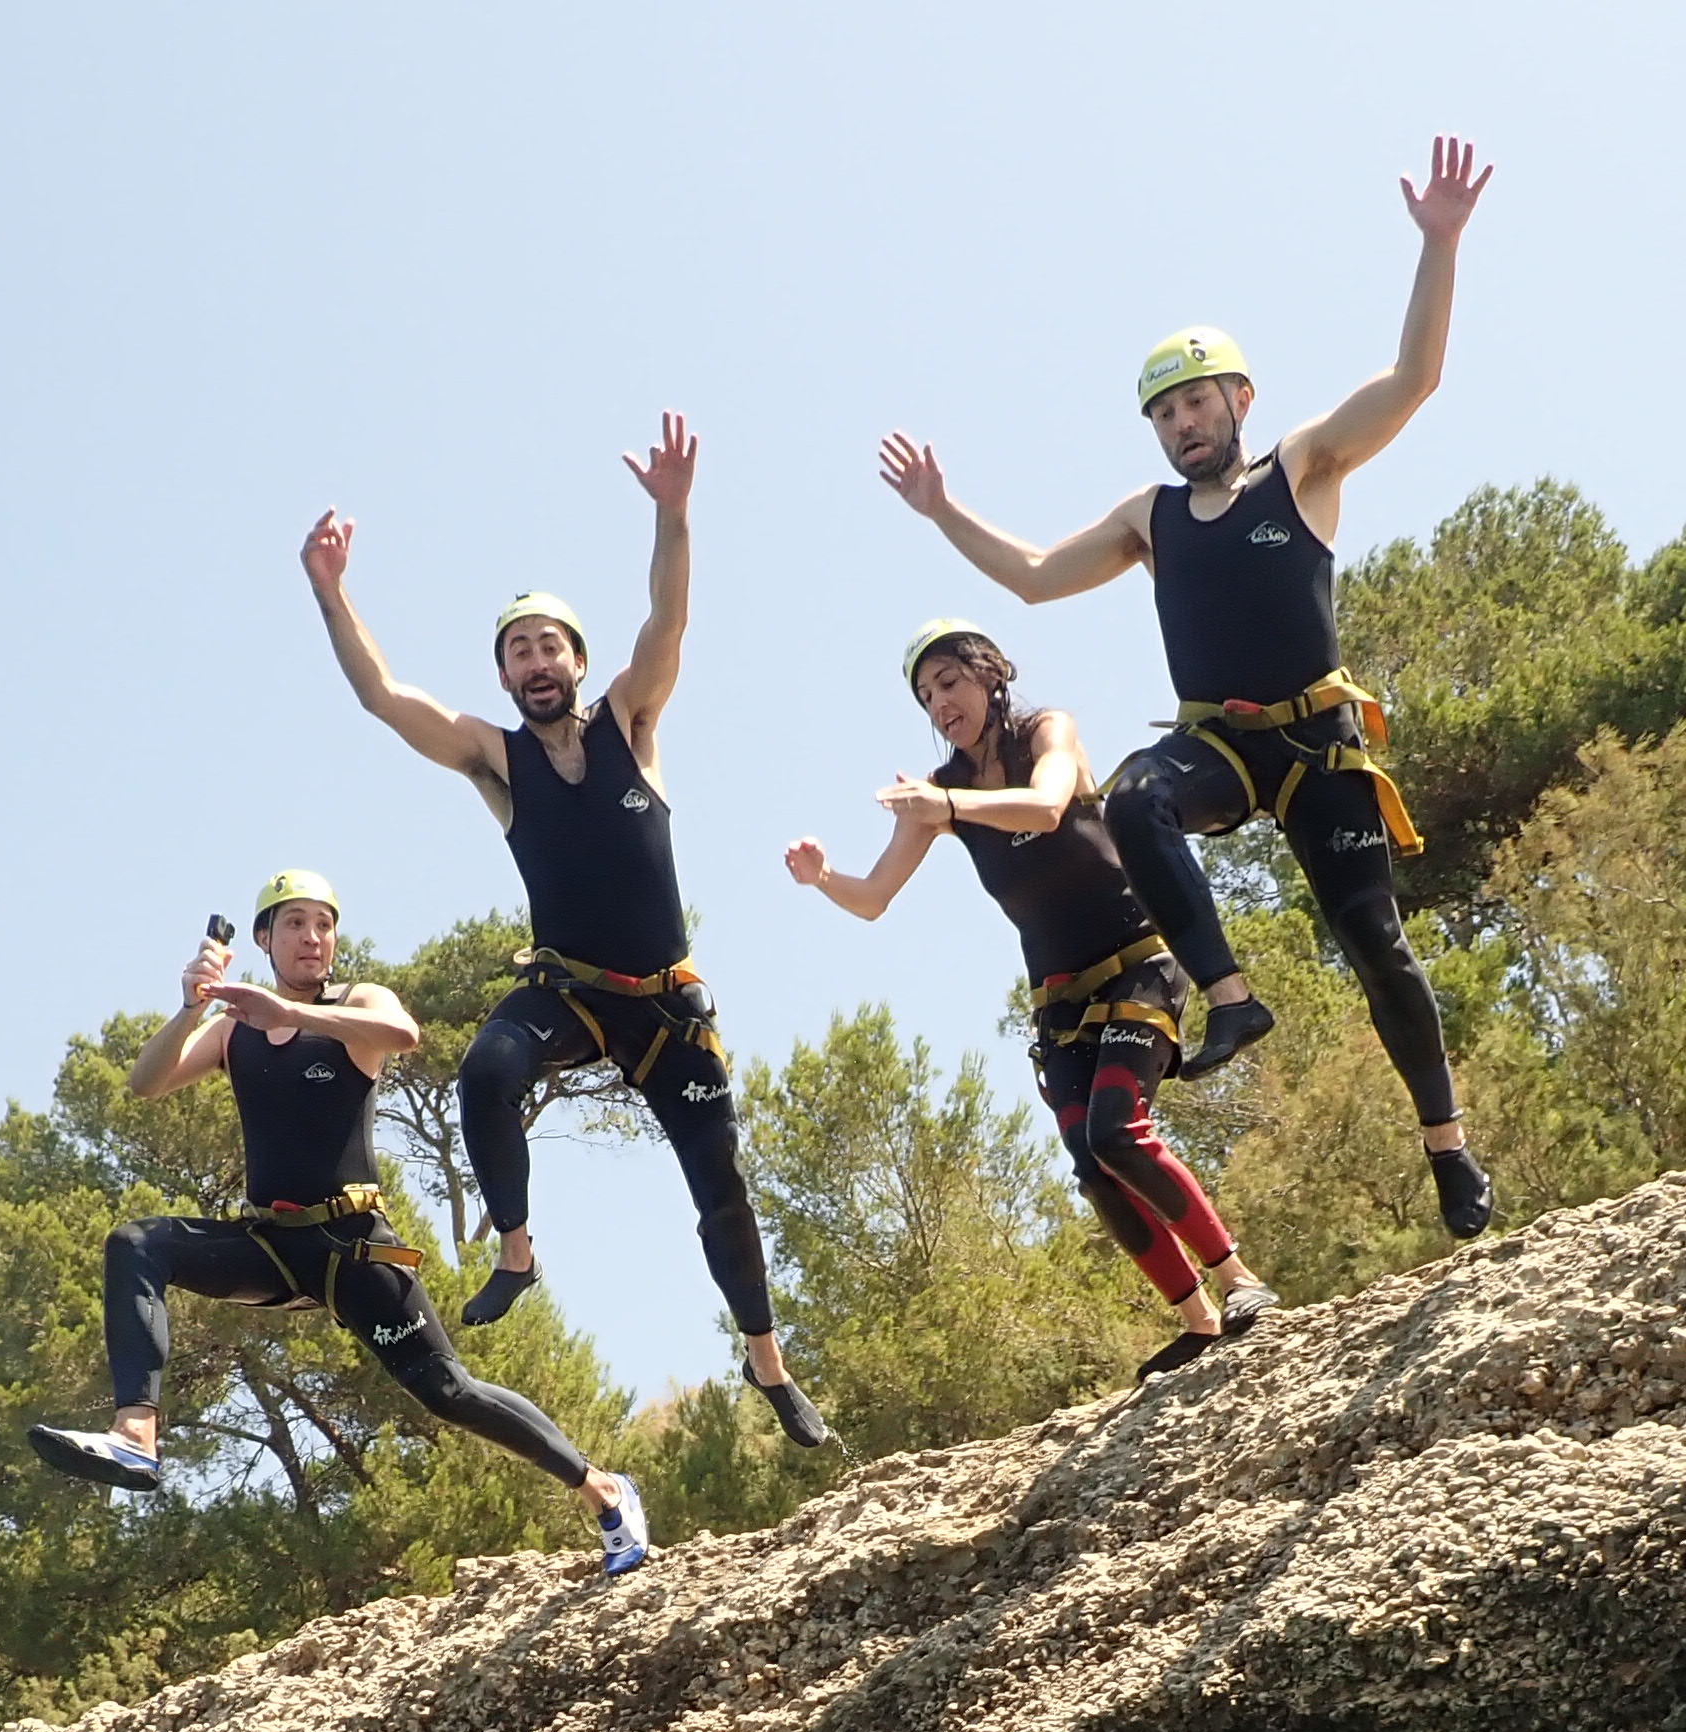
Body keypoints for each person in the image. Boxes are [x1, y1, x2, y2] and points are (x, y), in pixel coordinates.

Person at [877, 135, 1500, 1243]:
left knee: (1377, 947)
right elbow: (1028, 576)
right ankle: (1228, 999)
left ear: (1238, 399)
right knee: (1128, 798)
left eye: (1195, 404)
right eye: (1163, 415)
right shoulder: (1145, 520)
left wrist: (1438, 246)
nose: (1180, 426)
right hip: (1217, 743)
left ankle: (1446, 1147)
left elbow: (1414, 381)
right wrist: (942, 510)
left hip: (1316, 747)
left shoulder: (1302, 467)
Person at [301, 415, 833, 1448]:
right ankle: (515, 1248)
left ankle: (767, 1361)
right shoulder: (495, 759)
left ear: (578, 660)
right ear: (502, 678)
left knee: (719, 1184)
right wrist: (333, 593)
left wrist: (673, 517)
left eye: (548, 644)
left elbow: (666, 624)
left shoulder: (633, 721)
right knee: (485, 1073)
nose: (534, 661)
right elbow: (381, 697)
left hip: (666, 1006)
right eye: (515, 651)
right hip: (567, 991)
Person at [27, 870, 654, 1578]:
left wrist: (292, 1016)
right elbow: (146, 1082)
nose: (313, 938)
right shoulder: (233, 1031)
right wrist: (187, 1009)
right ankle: (137, 1432)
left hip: (355, 1250)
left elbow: (403, 1033)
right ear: (263, 937)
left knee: (449, 1391)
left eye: (323, 925)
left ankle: (602, 1488)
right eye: (295, 923)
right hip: (270, 1246)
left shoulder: (354, 1003)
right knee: (137, 1242)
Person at [785, 622, 1277, 1377]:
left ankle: (1240, 1282)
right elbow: (877, 896)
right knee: (1089, 1162)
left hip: (1137, 964)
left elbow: (1047, 806)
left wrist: (946, 812)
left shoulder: (1047, 730)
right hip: (1059, 1001)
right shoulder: (941, 789)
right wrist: (823, 880)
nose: (940, 704)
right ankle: (1199, 1322)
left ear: (989, 675)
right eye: (926, 696)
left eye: (950, 683)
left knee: (1118, 1130)